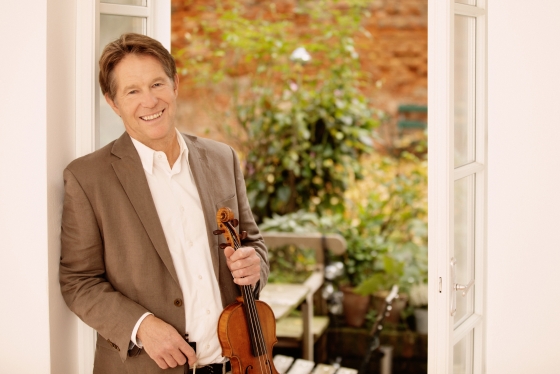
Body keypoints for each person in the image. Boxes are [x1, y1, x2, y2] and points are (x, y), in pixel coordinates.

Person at [59, 33, 269, 374]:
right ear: (113, 102)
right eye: (132, 91)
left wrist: (255, 264)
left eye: (157, 84)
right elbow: (78, 281)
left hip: (235, 362)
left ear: (175, 85)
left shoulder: (222, 158)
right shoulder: (87, 178)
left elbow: (254, 245)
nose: (150, 101)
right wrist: (140, 326)